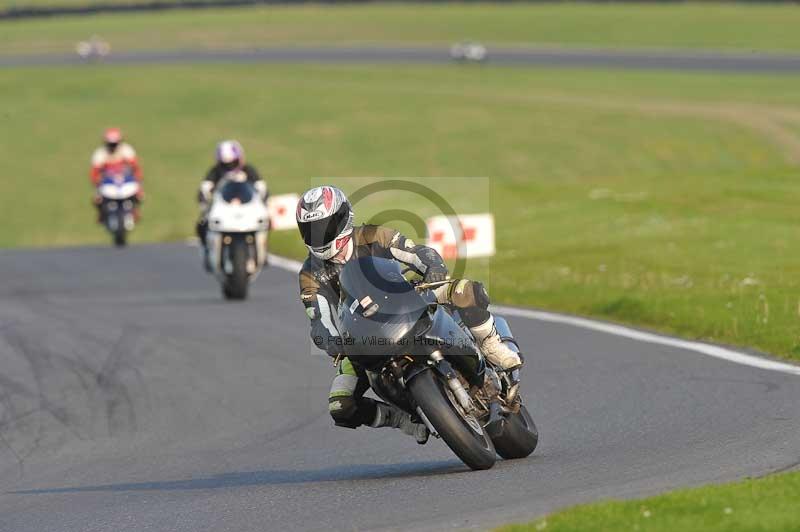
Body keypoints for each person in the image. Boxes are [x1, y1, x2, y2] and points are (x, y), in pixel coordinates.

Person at [296, 185, 523, 444]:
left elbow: (417, 253)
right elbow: (319, 319)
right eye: (310, 230)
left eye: (324, 226)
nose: (318, 236)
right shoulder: (310, 273)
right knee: (341, 405)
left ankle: (492, 346)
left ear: (343, 218)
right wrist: (332, 343)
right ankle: (404, 420)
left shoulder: (373, 235)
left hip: (405, 299)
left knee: (465, 291)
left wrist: (433, 268)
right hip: (361, 336)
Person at [196, 140, 268, 270]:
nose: (229, 167)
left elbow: (261, 187)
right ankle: (208, 250)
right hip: (224, 208)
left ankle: (263, 250)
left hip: (246, 208)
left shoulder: (248, 170)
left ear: (240, 159)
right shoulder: (215, 172)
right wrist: (204, 198)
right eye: (225, 164)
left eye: (232, 163)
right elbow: (205, 188)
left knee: (267, 221)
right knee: (201, 224)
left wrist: (263, 199)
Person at [90, 127, 143, 220]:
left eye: (115, 144)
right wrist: (97, 183)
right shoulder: (101, 154)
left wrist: (138, 182)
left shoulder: (126, 150)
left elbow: (136, 168)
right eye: (111, 144)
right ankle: (102, 214)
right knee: (97, 200)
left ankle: (135, 211)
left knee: (139, 196)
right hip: (107, 183)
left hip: (126, 181)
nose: (113, 146)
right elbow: (94, 173)